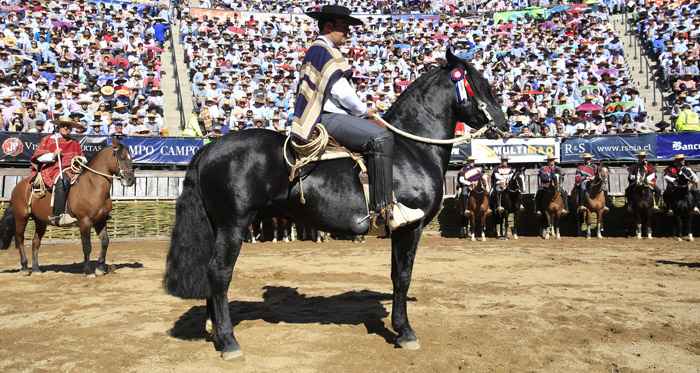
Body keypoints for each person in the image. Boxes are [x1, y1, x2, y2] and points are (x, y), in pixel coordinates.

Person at [291, 5, 423, 230]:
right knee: (381, 136)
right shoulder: (325, 50)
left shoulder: (317, 49)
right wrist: (364, 111)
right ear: (329, 26)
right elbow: (341, 92)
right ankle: (386, 209)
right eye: (344, 27)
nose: (348, 32)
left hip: (322, 114)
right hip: (327, 116)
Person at [29, 117, 85, 226]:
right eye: (63, 125)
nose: (65, 127)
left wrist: (81, 161)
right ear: (58, 127)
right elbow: (38, 158)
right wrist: (53, 155)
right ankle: (59, 215)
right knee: (63, 180)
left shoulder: (75, 143)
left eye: (68, 126)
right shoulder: (49, 139)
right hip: (53, 169)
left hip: (73, 170)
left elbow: (81, 157)